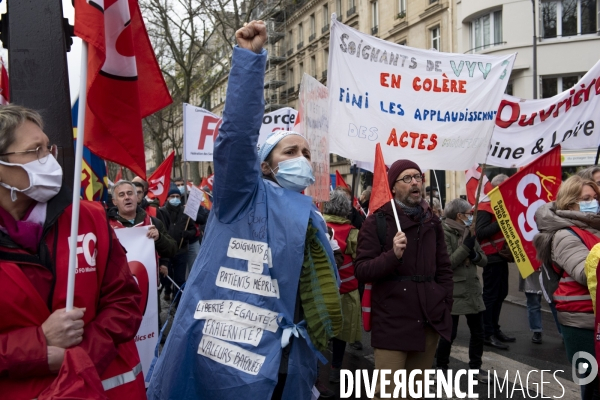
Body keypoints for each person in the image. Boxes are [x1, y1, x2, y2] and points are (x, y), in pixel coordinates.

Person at [146, 20, 341, 400]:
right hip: (232, 364)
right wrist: (249, 63)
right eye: (290, 152)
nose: (301, 159)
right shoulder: (242, 197)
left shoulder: (313, 216)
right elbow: (235, 135)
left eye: (306, 153)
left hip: (289, 360)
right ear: (264, 165)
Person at [0, 105, 145, 398]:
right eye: (35, 150)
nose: (49, 159)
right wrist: (39, 345)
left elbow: (125, 300)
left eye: (47, 147)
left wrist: (77, 358)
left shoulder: (88, 217)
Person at [354, 159, 453, 399]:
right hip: (392, 322)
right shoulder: (377, 221)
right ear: (394, 187)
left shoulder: (432, 221)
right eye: (407, 178)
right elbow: (363, 269)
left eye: (417, 177)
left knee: (414, 393)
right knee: (388, 393)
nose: (415, 182)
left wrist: (443, 303)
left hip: (428, 319)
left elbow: (444, 269)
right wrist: (392, 256)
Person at [533, 175, 600, 400]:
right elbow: (584, 272)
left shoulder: (591, 228)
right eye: (587, 198)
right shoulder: (564, 234)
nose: (594, 202)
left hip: (594, 315)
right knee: (592, 384)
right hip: (581, 321)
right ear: (571, 203)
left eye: (596, 197)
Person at [435, 198, 487, 380]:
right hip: (454, 290)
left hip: (472, 289)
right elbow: (448, 262)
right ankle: (440, 366)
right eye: (469, 214)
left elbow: (484, 259)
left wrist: (473, 253)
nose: (471, 217)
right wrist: (466, 248)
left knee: (478, 332)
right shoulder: (443, 232)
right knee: (450, 332)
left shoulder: (469, 231)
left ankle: (475, 369)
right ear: (459, 216)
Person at [323, 190, 362, 383]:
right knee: (340, 334)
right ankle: (335, 368)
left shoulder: (318, 224)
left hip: (321, 290)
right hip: (346, 290)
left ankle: (314, 372)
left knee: (319, 330)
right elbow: (360, 262)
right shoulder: (353, 233)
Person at [476, 173, 515, 349]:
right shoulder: (485, 206)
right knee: (491, 296)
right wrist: (503, 219)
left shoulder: (499, 205)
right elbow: (480, 232)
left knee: (501, 294)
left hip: (501, 256)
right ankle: (487, 333)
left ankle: (495, 328)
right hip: (491, 257)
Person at [108, 179, 176, 272]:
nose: (127, 197)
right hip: (118, 283)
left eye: (130, 193)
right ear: (114, 201)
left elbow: (172, 250)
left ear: (136, 197)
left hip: (147, 282)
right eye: (121, 195)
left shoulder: (153, 222)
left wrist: (159, 238)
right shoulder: (106, 226)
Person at [156, 187, 196, 301]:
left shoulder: (186, 212)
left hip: (181, 251)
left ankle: (178, 302)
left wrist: (187, 234)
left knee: (179, 279)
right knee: (165, 278)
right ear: (167, 198)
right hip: (167, 252)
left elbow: (193, 230)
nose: (175, 199)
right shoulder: (162, 212)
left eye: (177, 197)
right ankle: (167, 291)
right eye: (172, 197)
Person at [518, 271, 544, 344]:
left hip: (549, 269)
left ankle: (563, 332)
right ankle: (536, 330)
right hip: (529, 269)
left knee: (555, 304)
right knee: (533, 303)